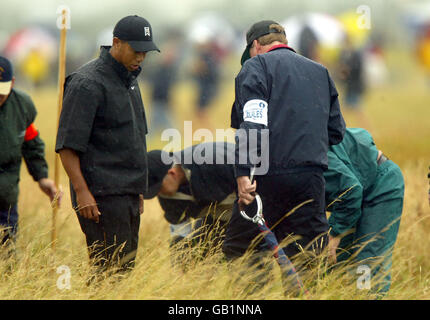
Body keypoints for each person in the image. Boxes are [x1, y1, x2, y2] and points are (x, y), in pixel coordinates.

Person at [229, 20, 345, 268]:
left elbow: (252, 126)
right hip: (311, 180)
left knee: (241, 250)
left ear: (256, 45)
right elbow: (336, 132)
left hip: (267, 177)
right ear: (285, 43)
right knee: (307, 257)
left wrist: (242, 174)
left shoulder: (255, 66)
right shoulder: (320, 71)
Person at [55, 15, 159, 274]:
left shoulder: (130, 81)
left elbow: (135, 138)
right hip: (100, 196)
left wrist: (138, 190)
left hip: (128, 194)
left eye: (146, 52)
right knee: (109, 271)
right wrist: (82, 192)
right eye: (136, 51)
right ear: (116, 43)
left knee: (124, 269)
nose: (141, 58)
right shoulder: (87, 83)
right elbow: (67, 146)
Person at [325, 128, 404, 295]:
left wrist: (334, 234)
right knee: (336, 262)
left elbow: (351, 190)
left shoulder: (312, 156)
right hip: (349, 198)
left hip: (379, 186)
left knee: (366, 263)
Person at [0, 56, 61, 252]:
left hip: (6, 198)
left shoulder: (22, 105)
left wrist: (42, 177)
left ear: (13, 83)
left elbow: (31, 144)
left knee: (7, 255)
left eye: (2, 91)